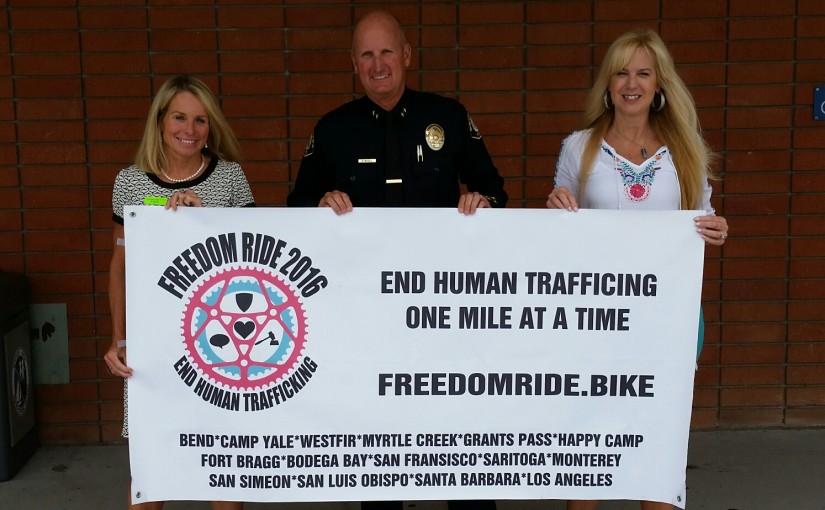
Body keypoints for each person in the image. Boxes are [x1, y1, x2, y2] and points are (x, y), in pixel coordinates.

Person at [287, 10, 506, 510]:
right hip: (366, 316)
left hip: (446, 313)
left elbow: (494, 188)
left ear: (407, 56)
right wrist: (319, 206)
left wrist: (483, 202)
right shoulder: (332, 129)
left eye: (387, 51)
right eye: (366, 54)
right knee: (381, 449)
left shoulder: (448, 117)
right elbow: (296, 207)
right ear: (353, 64)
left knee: (460, 442)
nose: (378, 63)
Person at [546, 29, 728, 510]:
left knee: (658, 447)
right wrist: (555, 210)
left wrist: (716, 230)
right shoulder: (579, 147)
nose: (632, 83)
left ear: (659, 83)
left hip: (668, 320)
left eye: (643, 73)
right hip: (595, 322)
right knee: (586, 447)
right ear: (607, 84)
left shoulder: (684, 150)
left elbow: (702, 218)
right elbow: (556, 238)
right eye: (622, 72)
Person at [104, 75, 254, 510]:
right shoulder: (130, 182)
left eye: (201, 120)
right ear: (161, 120)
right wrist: (119, 338)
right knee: (151, 473)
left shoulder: (230, 178)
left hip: (222, 343)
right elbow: (120, 266)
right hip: (157, 347)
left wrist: (203, 221)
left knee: (226, 469)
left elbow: (253, 259)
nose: (190, 129)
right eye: (180, 117)